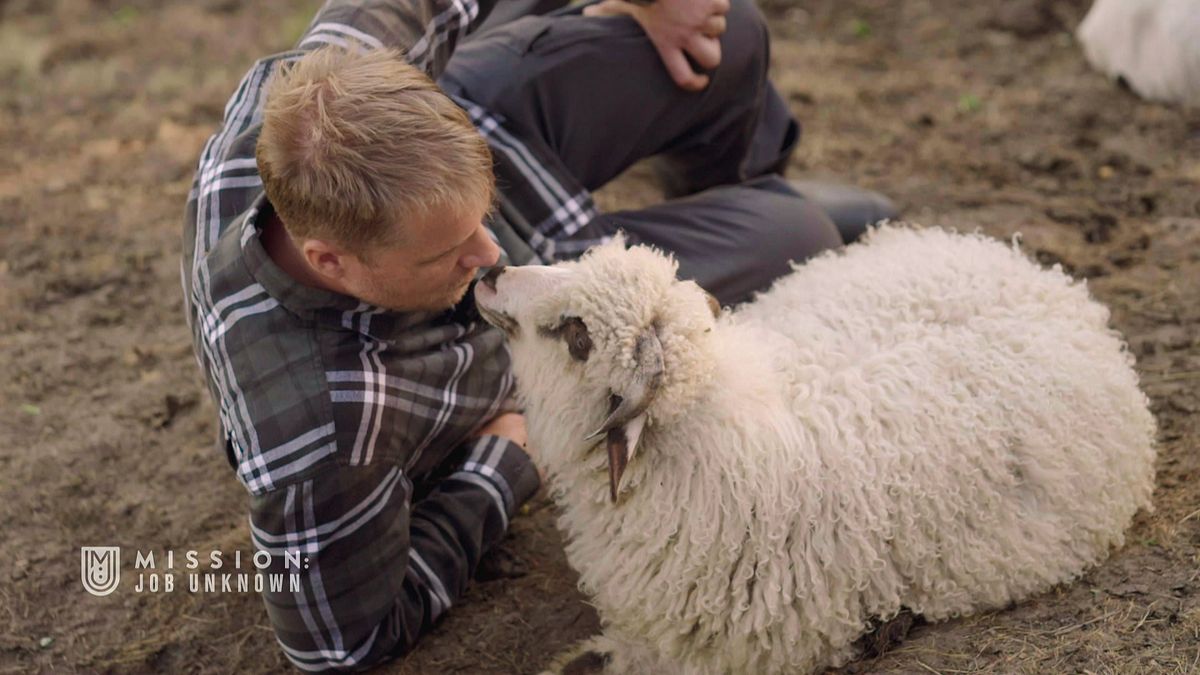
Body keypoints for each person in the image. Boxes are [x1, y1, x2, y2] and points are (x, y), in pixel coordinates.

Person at [180, 0, 896, 670]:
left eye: (477, 227)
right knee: (804, 235)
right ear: (331, 261)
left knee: (725, 31)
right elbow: (343, 643)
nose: (490, 255)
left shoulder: (316, 101)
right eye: (445, 255)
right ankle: (770, 222)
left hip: (489, 141)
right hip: (557, 313)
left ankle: (732, 197)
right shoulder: (324, 435)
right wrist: (505, 457)